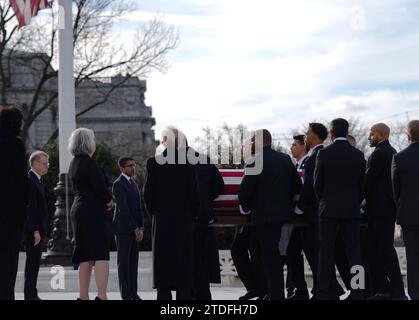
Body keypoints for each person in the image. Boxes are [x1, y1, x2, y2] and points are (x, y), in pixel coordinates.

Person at [239, 129, 302, 300]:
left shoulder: (254, 161)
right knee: (271, 254)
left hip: (262, 216)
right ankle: (272, 293)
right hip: (282, 215)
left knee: (267, 256)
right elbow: (297, 186)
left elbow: (245, 191)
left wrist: (245, 209)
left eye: (252, 141)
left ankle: (274, 294)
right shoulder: (284, 159)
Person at [144, 127, 199, 300]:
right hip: (183, 221)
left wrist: (155, 215)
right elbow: (194, 195)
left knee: (163, 269)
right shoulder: (189, 164)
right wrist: (193, 216)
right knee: (183, 269)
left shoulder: (153, 163)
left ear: (163, 141)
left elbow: (148, 196)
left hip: (162, 222)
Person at [315, 118, 366, 300]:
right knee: (354, 252)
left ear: (331, 133)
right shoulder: (358, 155)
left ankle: (324, 292)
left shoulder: (325, 154)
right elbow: (362, 186)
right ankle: (358, 291)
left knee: (325, 253)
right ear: (346, 132)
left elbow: (317, 185)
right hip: (351, 209)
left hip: (328, 209)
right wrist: (354, 201)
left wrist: (325, 200)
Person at [68, 128, 113, 300]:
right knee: (101, 254)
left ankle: (83, 296)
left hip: (78, 210)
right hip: (92, 211)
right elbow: (100, 187)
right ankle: (102, 296)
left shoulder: (74, 162)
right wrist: (108, 201)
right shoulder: (89, 162)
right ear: (88, 142)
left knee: (84, 254)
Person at [364, 123, 406, 300]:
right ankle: (389, 289)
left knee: (382, 250)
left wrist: (355, 199)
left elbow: (368, 182)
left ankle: (392, 291)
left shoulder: (378, 154)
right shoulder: (393, 151)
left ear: (380, 135)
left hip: (377, 211)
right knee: (384, 250)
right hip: (388, 210)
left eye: (371, 134)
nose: (369, 137)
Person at [180, 143, 224, 300]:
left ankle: (189, 292)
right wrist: (205, 199)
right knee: (203, 257)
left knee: (186, 256)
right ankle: (203, 293)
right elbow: (219, 185)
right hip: (204, 216)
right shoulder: (203, 159)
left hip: (185, 216)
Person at [0, 106, 29, 300]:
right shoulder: (15, 145)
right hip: (11, 209)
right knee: (9, 257)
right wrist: (28, 200)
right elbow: (21, 177)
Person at [392, 120, 419, 300]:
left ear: (408, 135)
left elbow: (396, 190)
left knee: (413, 258)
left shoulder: (399, 158)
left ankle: (415, 293)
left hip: (409, 216)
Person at [112, 157, 144, 300]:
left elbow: (138, 208)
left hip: (135, 229)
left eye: (134, 165)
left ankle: (133, 293)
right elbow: (123, 209)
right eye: (130, 166)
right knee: (124, 264)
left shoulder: (133, 184)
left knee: (133, 263)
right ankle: (126, 295)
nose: (133, 168)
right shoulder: (118, 184)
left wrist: (141, 227)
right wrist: (134, 228)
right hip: (124, 230)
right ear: (122, 168)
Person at [24, 151, 50, 300]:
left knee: (34, 264)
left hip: (38, 229)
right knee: (32, 264)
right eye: (44, 163)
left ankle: (32, 293)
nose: (47, 166)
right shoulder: (31, 180)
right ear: (35, 163)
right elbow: (32, 208)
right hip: (34, 230)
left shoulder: (37, 180)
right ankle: (30, 295)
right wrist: (35, 230)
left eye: (48, 163)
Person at [286, 134, 309, 299]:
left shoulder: (308, 163)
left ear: (303, 146)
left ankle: (300, 290)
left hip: (306, 218)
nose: (291, 147)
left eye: (294, 145)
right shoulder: (296, 165)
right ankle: (298, 290)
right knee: (292, 252)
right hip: (297, 218)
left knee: (310, 255)